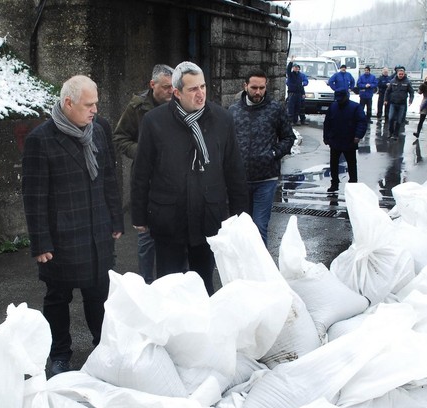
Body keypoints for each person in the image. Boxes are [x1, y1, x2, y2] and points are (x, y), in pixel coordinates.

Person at [22, 75, 123, 377]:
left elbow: (109, 177)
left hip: (97, 230)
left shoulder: (99, 129)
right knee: (58, 298)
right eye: (88, 105)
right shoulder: (41, 139)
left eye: (96, 104)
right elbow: (34, 195)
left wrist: (115, 218)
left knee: (99, 294)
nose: (95, 110)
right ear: (68, 103)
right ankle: (59, 354)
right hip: (62, 236)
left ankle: (103, 347)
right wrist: (40, 242)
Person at [131, 61, 248, 296]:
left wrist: (241, 216)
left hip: (208, 216)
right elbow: (141, 171)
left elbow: (234, 170)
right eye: (193, 89)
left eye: (203, 86)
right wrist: (139, 215)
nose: (200, 93)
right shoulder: (155, 121)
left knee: (204, 286)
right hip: (168, 218)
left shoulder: (222, 119)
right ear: (177, 92)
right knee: (170, 287)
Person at [113, 64, 173, 284]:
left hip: (174, 179)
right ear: (152, 85)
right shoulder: (137, 107)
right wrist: (142, 151)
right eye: (166, 87)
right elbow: (119, 137)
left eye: (173, 86)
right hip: (146, 178)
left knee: (175, 235)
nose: (171, 91)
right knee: (146, 235)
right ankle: (146, 283)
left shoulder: (179, 103)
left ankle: (173, 282)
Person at [230, 69, 295, 245]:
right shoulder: (233, 111)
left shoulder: (275, 109)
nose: (258, 92)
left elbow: (288, 137)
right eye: (254, 88)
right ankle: (243, 261)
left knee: (259, 226)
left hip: (266, 179)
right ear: (245, 86)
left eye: (262, 88)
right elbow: (226, 142)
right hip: (240, 181)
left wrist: (273, 153)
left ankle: (260, 263)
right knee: (241, 228)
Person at [323, 89, 368, 194]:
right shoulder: (333, 107)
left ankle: (353, 183)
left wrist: (358, 135)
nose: (339, 101)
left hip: (350, 140)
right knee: (334, 163)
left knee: (351, 163)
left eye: (341, 99)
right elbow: (327, 122)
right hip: (335, 139)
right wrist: (326, 137)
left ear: (346, 97)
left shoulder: (355, 107)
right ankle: (334, 183)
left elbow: (362, 122)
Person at [384, 66, 414, 140]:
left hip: (402, 104)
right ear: (397, 74)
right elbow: (387, 91)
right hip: (393, 103)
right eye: (399, 74)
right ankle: (390, 132)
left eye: (402, 74)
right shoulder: (393, 81)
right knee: (391, 118)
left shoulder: (407, 82)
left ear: (404, 74)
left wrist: (411, 100)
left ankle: (396, 134)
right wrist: (385, 100)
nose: (401, 75)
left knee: (399, 120)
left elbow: (411, 92)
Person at [286, 60, 308, 125]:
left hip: (299, 94)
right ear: (293, 68)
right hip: (292, 93)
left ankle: (295, 121)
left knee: (297, 108)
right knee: (291, 108)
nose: (296, 68)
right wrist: (291, 62)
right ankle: (290, 121)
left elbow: (301, 86)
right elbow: (288, 69)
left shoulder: (300, 76)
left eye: (297, 67)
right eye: (295, 67)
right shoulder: (290, 74)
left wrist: (303, 93)